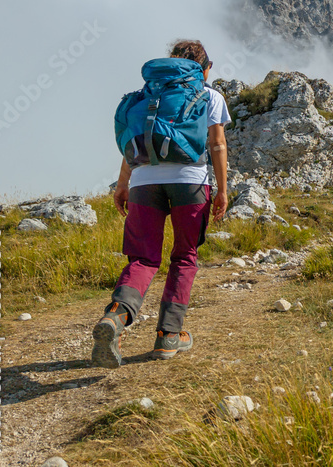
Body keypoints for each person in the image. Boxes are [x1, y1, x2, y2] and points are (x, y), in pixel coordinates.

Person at [92, 40, 230, 368]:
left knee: (143, 258)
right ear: (204, 68)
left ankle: (116, 316)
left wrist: (124, 184)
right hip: (191, 182)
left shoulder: (146, 97)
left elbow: (135, 143)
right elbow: (218, 144)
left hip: (143, 182)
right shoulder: (209, 95)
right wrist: (222, 190)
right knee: (184, 256)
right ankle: (168, 335)